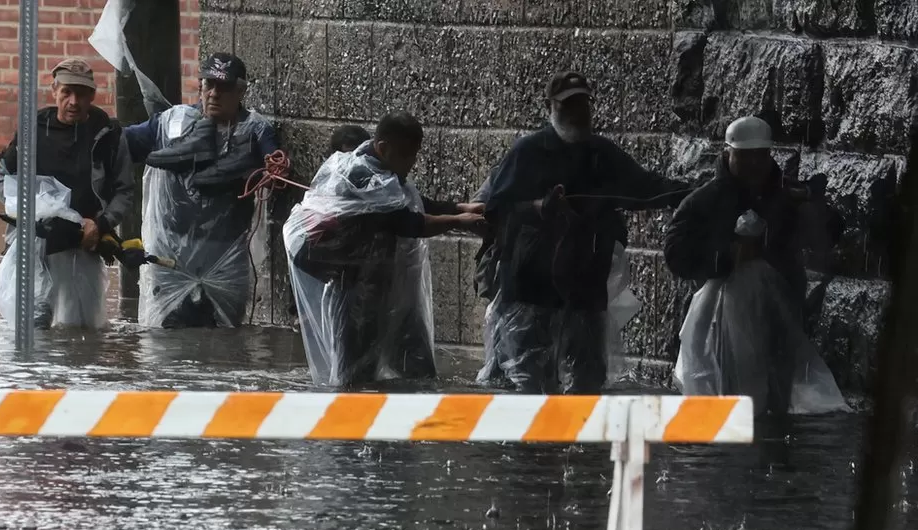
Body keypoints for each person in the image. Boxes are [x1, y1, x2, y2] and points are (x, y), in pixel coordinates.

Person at [484, 71, 691, 394]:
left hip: (584, 282)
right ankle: (534, 444)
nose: (577, 113)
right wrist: (539, 207)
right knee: (531, 380)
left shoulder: (601, 154)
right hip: (532, 286)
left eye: (583, 104)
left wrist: (692, 195)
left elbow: (644, 188)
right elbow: (496, 207)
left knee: (588, 378)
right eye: (568, 106)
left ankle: (582, 440)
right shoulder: (528, 151)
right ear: (549, 107)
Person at [283, 112, 486, 387]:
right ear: (382, 147)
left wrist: (459, 208)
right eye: (405, 156)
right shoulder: (359, 176)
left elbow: (410, 202)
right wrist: (458, 221)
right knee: (356, 379)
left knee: (417, 372)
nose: (410, 164)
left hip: (389, 288)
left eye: (414, 156)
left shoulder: (384, 173)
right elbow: (407, 221)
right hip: (356, 295)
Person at [665, 115, 848, 416]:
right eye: (745, 156)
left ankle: (769, 447)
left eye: (760, 156)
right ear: (728, 154)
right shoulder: (704, 201)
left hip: (781, 309)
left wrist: (812, 205)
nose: (754, 164)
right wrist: (729, 255)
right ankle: (737, 453)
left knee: (776, 398)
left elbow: (831, 231)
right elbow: (675, 254)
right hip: (722, 320)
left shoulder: (786, 196)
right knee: (735, 395)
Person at [124, 53, 280, 329]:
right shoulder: (172, 122)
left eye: (224, 88)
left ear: (241, 91)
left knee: (226, 344)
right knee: (167, 342)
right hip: (171, 256)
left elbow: (275, 163)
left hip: (225, 256)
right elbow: (123, 145)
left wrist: (269, 169)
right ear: (200, 86)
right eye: (209, 85)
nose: (214, 94)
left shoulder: (256, 130)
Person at [0, 58, 134, 330]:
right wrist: (33, 211)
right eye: (66, 92)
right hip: (36, 245)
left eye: (81, 94)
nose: (73, 101)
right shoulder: (33, 130)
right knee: (34, 326)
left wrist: (100, 224)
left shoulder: (108, 135)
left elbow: (125, 191)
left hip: (85, 245)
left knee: (82, 331)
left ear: (93, 95)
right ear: (54, 90)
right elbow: (1, 179)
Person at [286, 124, 373, 323]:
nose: (349, 162)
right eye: (344, 156)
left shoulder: (371, 179)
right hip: (322, 255)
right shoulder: (327, 178)